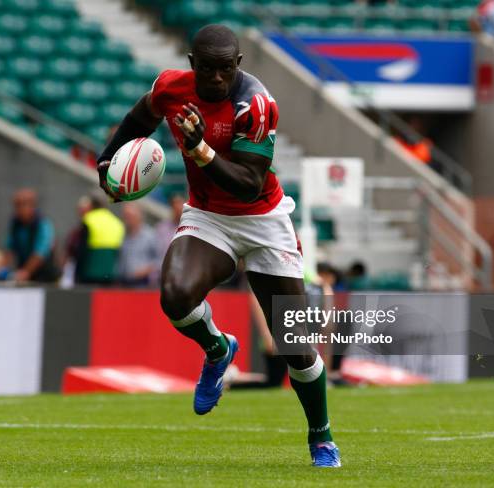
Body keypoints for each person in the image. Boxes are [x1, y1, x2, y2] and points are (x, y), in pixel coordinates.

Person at [96, 25, 340, 467]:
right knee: (174, 296)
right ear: (193, 64)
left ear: (238, 66)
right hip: (208, 215)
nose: (215, 79)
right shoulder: (172, 87)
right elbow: (141, 116)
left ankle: (321, 437)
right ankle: (217, 349)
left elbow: (248, 185)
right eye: (207, 69)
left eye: (225, 69)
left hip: (262, 220)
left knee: (295, 346)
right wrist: (108, 157)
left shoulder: (257, 104)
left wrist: (202, 150)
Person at [5, 189, 60, 283]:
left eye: (22, 205)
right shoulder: (15, 224)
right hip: (24, 274)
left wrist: (25, 272)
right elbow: (9, 249)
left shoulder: (42, 224)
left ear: (32, 206)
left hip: (45, 276)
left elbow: (40, 253)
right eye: (16, 206)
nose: (18, 209)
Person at [70, 193, 125, 285]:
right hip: (110, 273)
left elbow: (81, 249)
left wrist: (77, 274)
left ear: (92, 205)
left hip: (90, 271)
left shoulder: (88, 219)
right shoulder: (117, 223)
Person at [118, 202, 160, 288]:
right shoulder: (122, 235)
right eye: (125, 216)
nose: (126, 219)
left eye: (129, 216)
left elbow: (159, 260)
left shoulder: (150, 235)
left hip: (143, 284)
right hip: (123, 284)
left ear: (139, 216)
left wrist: (145, 271)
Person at [155, 194, 185, 264]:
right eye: (176, 207)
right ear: (172, 208)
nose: (179, 210)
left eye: (181, 207)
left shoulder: (191, 229)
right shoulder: (161, 227)